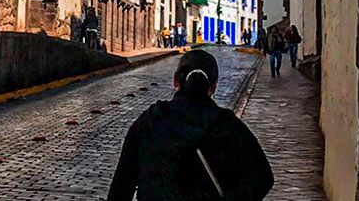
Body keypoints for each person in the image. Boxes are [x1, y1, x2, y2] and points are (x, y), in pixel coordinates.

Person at [108, 49, 274, 201]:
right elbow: (263, 177)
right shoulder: (228, 126)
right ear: (214, 87)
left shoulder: (149, 121)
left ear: (175, 81)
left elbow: (122, 185)